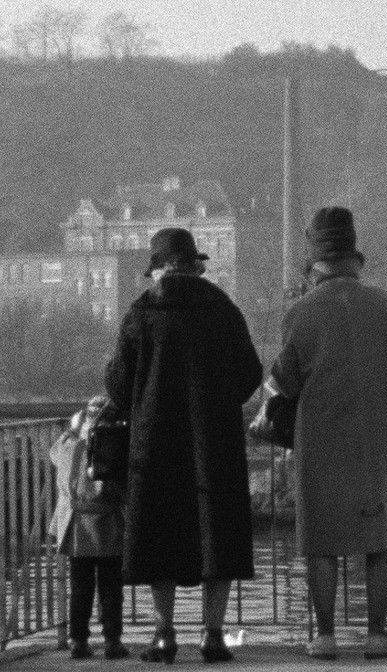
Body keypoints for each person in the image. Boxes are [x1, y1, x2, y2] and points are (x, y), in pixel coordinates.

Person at [105, 227, 264, 664]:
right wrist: (218, 401)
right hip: (215, 442)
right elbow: (250, 373)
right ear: (196, 265)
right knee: (218, 535)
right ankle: (213, 636)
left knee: (160, 534)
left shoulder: (141, 314)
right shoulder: (223, 310)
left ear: (156, 269)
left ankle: (163, 635)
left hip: (155, 445)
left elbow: (119, 386)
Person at [269, 207, 387, 660]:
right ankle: (377, 634)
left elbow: (287, 380)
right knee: (382, 531)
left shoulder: (301, 312)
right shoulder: (386, 304)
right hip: (383, 434)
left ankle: (326, 635)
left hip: (322, 436)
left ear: (313, 262)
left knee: (321, 535)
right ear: (355, 254)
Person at [48, 395, 129, 660]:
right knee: (111, 588)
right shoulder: (116, 446)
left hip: (76, 524)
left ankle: (78, 641)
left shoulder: (69, 445)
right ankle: (113, 641)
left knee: (80, 587)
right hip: (109, 523)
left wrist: (71, 432)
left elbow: (53, 456)